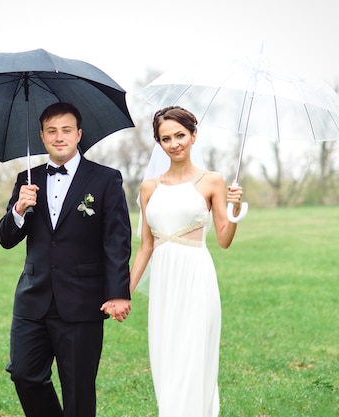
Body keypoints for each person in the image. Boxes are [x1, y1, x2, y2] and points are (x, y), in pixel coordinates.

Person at [0, 102, 132, 417]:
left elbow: (116, 240)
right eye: (52, 131)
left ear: (79, 134)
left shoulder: (105, 179)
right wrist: (19, 209)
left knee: (78, 390)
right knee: (24, 374)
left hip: (82, 300)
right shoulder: (26, 180)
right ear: (42, 136)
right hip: (33, 298)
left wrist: (117, 292)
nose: (59, 137)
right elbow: (6, 239)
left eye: (66, 130)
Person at [125, 106, 243, 416]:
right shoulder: (150, 187)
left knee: (193, 357)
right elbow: (145, 247)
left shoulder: (212, 182)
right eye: (166, 138)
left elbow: (224, 240)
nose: (174, 144)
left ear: (193, 135)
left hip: (195, 276)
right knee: (166, 357)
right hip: (165, 279)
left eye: (180, 135)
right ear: (159, 143)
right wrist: (124, 291)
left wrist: (234, 210)